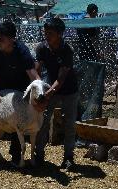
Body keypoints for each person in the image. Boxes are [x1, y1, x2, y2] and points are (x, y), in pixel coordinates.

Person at [0, 21, 41, 166]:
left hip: (19, 85)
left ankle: (16, 154)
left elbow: (34, 76)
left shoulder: (22, 51)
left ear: (12, 39)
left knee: (19, 118)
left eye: (2, 39)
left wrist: (41, 96)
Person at [35, 18, 79, 169]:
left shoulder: (67, 50)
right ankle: (38, 155)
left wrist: (46, 95)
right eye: (45, 32)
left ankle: (68, 157)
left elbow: (61, 79)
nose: (47, 36)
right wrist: (38, 88)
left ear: (60, 34)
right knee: (43, 121)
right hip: (49, 86)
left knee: (69, 124)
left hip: (69, 90)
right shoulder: (41, 48)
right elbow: (37, 70)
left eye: (51, 33)